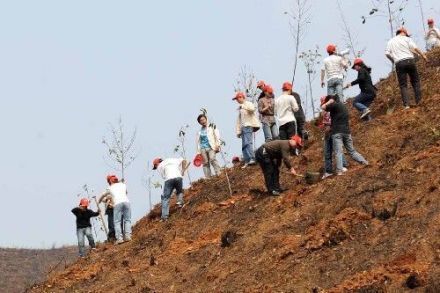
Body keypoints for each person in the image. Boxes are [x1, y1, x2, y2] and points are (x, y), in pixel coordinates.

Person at [321, 95, 369, 175]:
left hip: (337, 133)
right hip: (347, 132)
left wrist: (330, 101)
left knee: (338, 152)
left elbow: (323, 107)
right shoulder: (343, 106)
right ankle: (364, 162)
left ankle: (339, 171)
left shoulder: (334, 105)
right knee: (352, 151)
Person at [385, 27, 428, 108]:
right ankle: (419, 101)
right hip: (410, 61)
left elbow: (387, 53)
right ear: (403, 32)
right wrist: (423, 55)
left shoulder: (391, 41)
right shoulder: (407, 39)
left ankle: (406, 105)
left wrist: (393, 60)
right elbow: (415, 48)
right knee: (415, 81)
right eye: (406, 34)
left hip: (399, 63)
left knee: (403, 85)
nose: (407, 35)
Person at [318, 96, 347, 179]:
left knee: (334, 150)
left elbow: (332, 122)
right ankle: (330, 170)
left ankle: (340, 166)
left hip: (333, 132)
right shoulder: (326, 111)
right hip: (331, 133)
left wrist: (328, 128)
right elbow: (325, 123)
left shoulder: (331, 109)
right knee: (331, 151)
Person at [153, 157, 188, 221]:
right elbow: (184, 160)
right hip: (178, 177)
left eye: (155, 166)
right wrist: (182, 170)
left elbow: (164, 176)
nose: (156, 167)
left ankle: (164, 217)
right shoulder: (173, 159)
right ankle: (180, 203)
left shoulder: (160, 166)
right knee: (179, 191)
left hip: (169, 179)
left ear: (156, 164)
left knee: (165, 198)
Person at [99, 175, 131, 244]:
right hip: (126, 202)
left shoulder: (110, 188)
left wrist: (99, 200)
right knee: (127, 220)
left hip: (117, 204)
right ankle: (128, 236)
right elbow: (126, 193)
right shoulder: (123, 185)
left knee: (117, 222)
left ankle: (119, 238)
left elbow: (103, 196)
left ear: (110, 181)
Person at [233, 92, 260, 168]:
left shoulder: (248, 103)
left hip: (248, 126)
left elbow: (252, 109)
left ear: (241, 97)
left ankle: (252, 158)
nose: (237, 100)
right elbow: (239, 120)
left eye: (237, 98)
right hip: (243, 127)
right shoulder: (240, 108)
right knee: (244, 145)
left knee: (248, 142)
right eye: (236, 99)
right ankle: (247, 160)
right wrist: (238, 131)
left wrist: (243, 106)